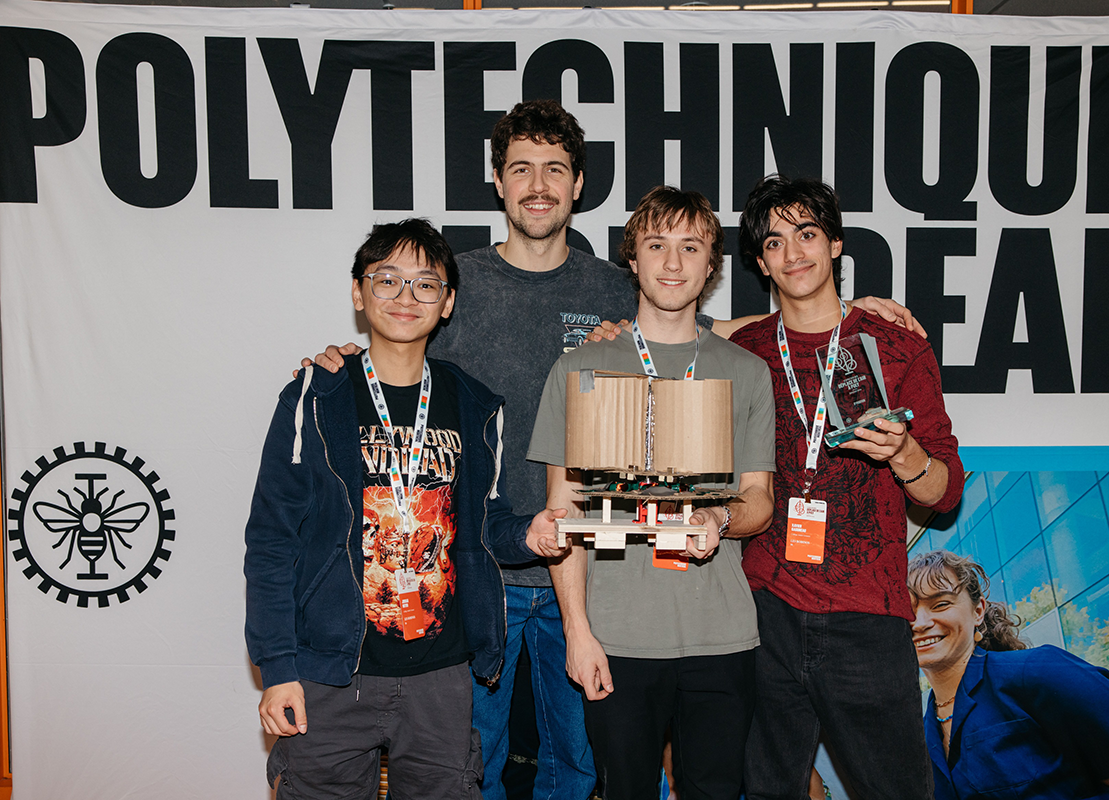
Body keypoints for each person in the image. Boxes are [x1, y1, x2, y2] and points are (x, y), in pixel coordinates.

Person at [302, 100, 919, 800]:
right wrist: (348, 357)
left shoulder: (609, 285)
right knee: (467, 766)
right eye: (522, 168)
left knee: (581, 771)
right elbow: (400, 332)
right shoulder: (454, 284)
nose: (539, 183)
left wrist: (848, 311)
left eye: (556, 169)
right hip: (483, 567)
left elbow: (701, 326)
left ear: (578, 184)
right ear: (497, 182)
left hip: (594, 578)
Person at [244, 219, 565, 798]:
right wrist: (279, 668)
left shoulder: (473, 404)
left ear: (447, 303)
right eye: (386, 280)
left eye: (425, 284)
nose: (405, 297)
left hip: (440, 676)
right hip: (331, 671)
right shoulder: (316, 396)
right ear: (357, 292)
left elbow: (484, 525)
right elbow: (271, 540)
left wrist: (530, 534)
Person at [528, 186, 776, 799]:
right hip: (617, 639)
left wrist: (718, 519)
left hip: (722, 638)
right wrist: (578, 633)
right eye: (656, 245)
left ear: (711, 264)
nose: (672, 263)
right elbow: (563, 514)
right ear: (631, 260)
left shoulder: (745, 371)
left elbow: (760, 501)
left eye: (690, 247)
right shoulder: (580, 368)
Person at [728, 174, 965, 800]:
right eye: (775, 242)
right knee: (765, 789)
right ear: (760, 262)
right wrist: (613, 331)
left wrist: (906, 453)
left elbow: (943, 492)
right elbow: (667, 330)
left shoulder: (894, 345)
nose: (794, 252)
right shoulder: (745, 350)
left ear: (835, 244)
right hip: (764, 607)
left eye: (808, 234)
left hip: (869, 611)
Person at [907, 549, 1109, 800]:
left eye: (940, 604)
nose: (919, 623)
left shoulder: (1041, 671)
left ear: (978, 611)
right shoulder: (919, 735)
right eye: (906, 613)